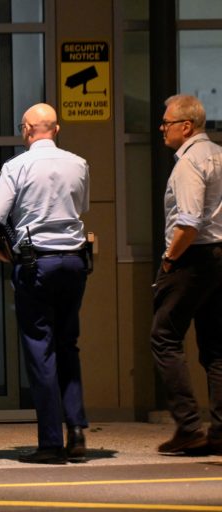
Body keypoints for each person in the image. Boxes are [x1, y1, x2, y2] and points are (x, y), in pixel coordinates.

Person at [0, 103, 90, 465]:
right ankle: (76, 431)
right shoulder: (79, 163)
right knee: (67, 344)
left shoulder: (16, 167)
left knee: (40, 348)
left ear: (27, 130)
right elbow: (80, 209)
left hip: (36, 264)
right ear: (56, 129)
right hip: (74, 261)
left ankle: (50, 442)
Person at [150, 94, 222, 455]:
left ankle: (189, 425)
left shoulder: (189, 162)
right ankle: (220, 430)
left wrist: (168, 260)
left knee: (164, 335)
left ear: (186, 126)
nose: (162, 127)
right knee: (216, 345)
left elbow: (189, 222)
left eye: (167, 122)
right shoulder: (220, 154)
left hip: (193, 257)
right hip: (220, 258)